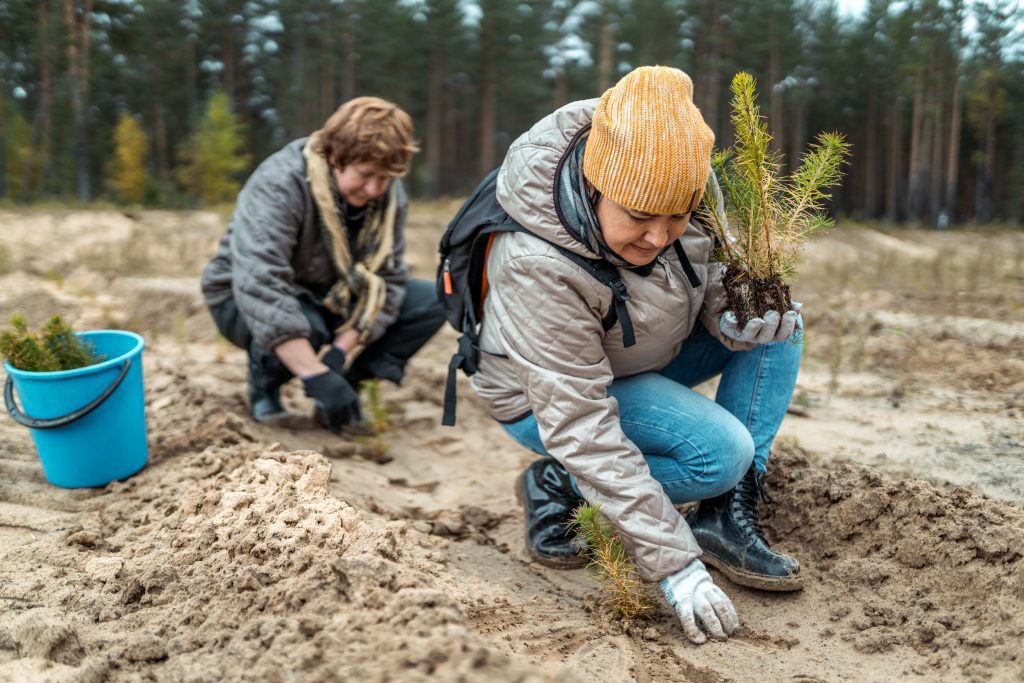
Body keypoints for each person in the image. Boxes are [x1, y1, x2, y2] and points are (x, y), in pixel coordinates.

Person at [467, 66, 804, 644]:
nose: (658, 236)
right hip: (544, 400)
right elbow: (578, 421)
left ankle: (727, 512)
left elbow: (708, 276)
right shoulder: (535, 263)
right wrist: (675, 565)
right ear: (595, 187)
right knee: (719, 455)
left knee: (778, 327)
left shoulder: (685, 192)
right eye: (640, 217)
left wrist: (735, 315)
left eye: (677, 216)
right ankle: (559, 483)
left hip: (638, 354)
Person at [202, 96, 445, 431]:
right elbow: (260, 281)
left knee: (431, 301)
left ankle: (346, 385)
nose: (375, 189)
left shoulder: (389, 197)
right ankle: (265, 384)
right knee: (306, 322)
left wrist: (338, 359)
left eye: (386, 178)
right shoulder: (280, 183)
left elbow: (387, 280)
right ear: (335, 157)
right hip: (239, 296)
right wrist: (314, 374)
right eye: (365, 175)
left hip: (330, 293)